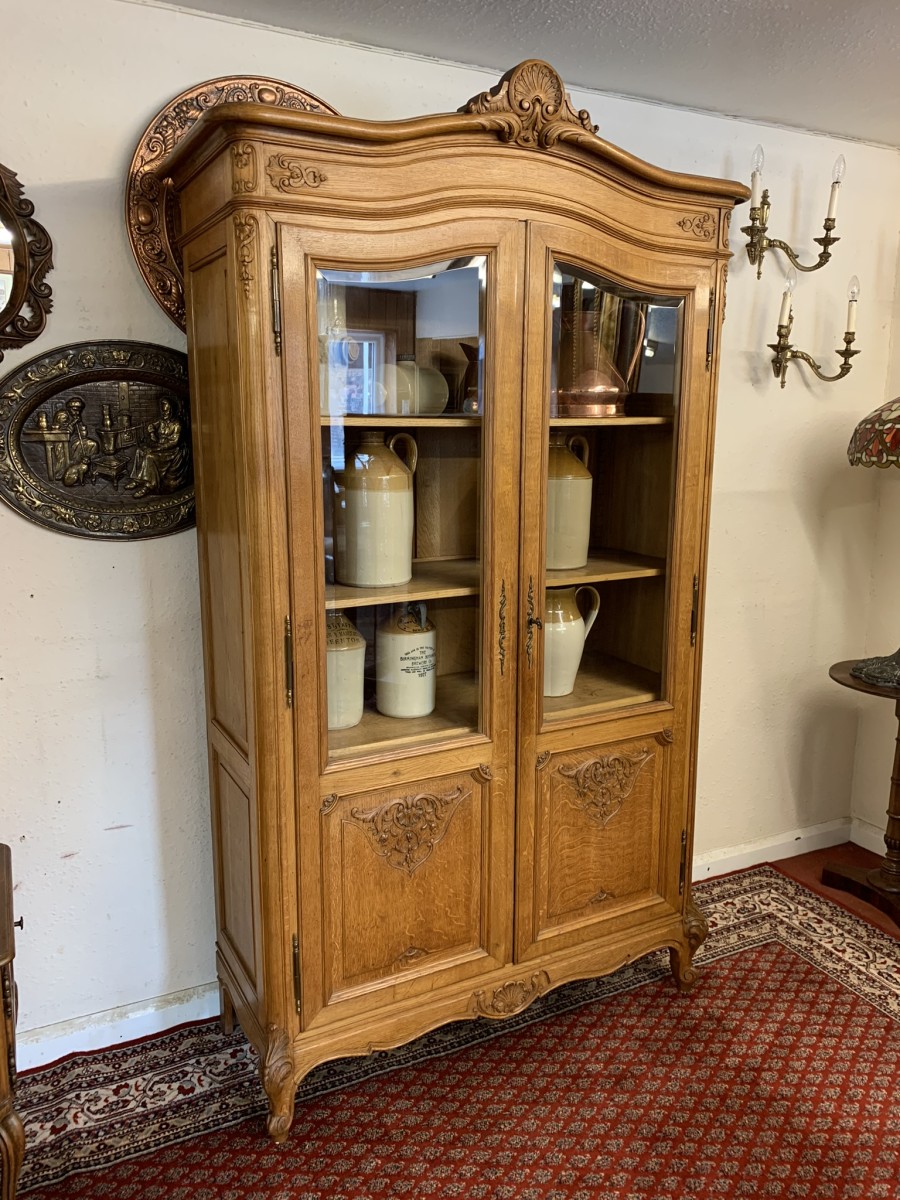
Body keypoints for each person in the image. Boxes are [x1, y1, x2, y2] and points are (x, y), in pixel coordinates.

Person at [126, 397, 189, 498]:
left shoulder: (177, 424)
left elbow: (173, 443)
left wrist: (155, 449)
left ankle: (148, 486)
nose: (164, 412)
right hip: (159, 446)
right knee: (140, 451)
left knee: (149, 457)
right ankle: (137, 480)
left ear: (172, 409)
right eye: (162, 409)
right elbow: (151, 426)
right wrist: (152, 432)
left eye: (166, 409)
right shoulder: (161, 421)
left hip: (170, 451)